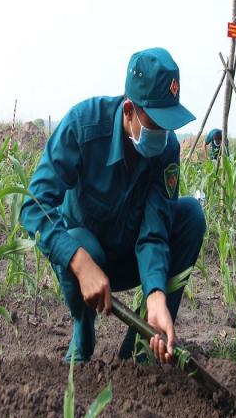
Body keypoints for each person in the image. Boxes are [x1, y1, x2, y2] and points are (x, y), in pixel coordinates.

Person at [20, 47, 206, 365]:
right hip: (86, 260)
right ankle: (83, 327)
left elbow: (154, 231)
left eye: (168, 125)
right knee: (80, 243)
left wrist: (156, 295)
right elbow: (33, 207)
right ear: (129, 110)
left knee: (190, 216)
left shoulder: (166, 149)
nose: (162, 135)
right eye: (155, 123)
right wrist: (79, 262)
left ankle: (142, 346)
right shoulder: (83, 125)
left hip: (130, 256)